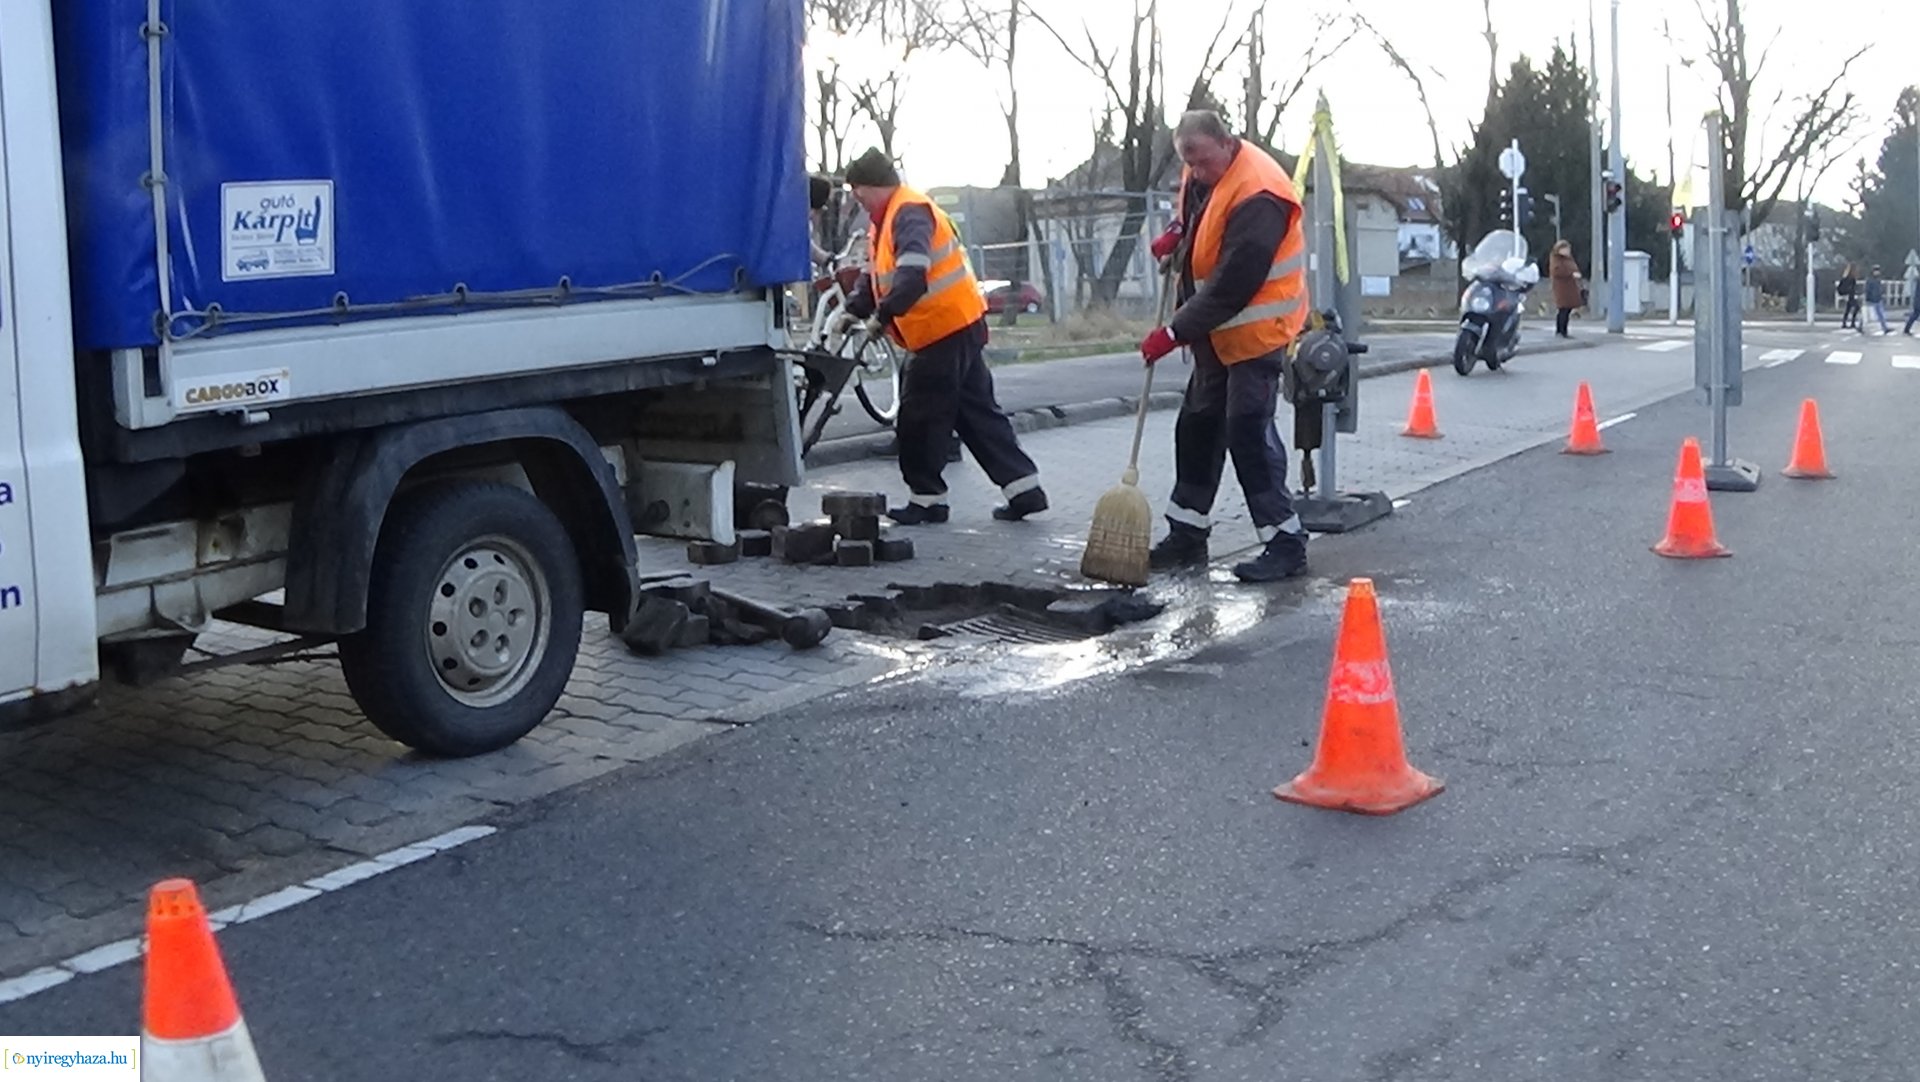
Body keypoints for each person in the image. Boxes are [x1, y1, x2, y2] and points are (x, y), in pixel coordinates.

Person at [1137, 110, 1310, 584]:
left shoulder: (1261, 196)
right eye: (1187, 162)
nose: (1195, 172)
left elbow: (1234, 285)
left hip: (1257, 328)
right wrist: (1180, 231)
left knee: (1246, 429)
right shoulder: (1204, 171)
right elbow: (1198, 205)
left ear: (1228, 144)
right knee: (1197, 424)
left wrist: (1173, 332)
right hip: (1217, 332)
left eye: (1202, 161)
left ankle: (1285, 542)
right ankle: (1188, 534)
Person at [836, 147, 1047, 525]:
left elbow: (911, 277)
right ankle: (1024, 490)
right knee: (977, 413)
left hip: (941, 330)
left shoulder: (909, 212)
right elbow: (875, 278)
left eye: (858, 190)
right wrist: (853, 309)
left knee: (919, 417)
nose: (856, 198)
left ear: (876, 186)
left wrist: (879, 317)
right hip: (957, 325)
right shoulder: (885, 220)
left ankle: (927, 500)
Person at [1549, 240, 1583, 338]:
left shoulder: (1569, 259)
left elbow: (1573, 268)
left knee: (1567, 309)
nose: (1567, 251)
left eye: (1567, 249)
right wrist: (1571, 274)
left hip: (1570, 287)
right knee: (1563, 310)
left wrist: (1576, 273)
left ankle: (1564, 331)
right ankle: (1560, 331)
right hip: (1561, 288)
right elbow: (1556, 271)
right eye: (1564, 249)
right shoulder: (1556, 259)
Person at [1863, 267, 1890, 335]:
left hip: (1878, 299)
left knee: (1880, 314)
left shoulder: (1878, 280)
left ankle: (1885, 328)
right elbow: (1867, 289)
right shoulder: (1870, 280)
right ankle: (1860, 325)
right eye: (1876, 271)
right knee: (1866, 314)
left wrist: (1881, 294)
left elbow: (1879, 289)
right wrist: (1867, 298)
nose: (1878, 272)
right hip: (1871, 299)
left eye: (1878, 271)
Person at [1837, 264, 1859, 329]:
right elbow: (1851, 288)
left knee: (1848, 309)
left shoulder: (1846, 278)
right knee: (1856, 308)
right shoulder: (1850, 279)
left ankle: (1845, 323)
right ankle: (1851, 322)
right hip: (1850, 296)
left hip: (1849, 296)